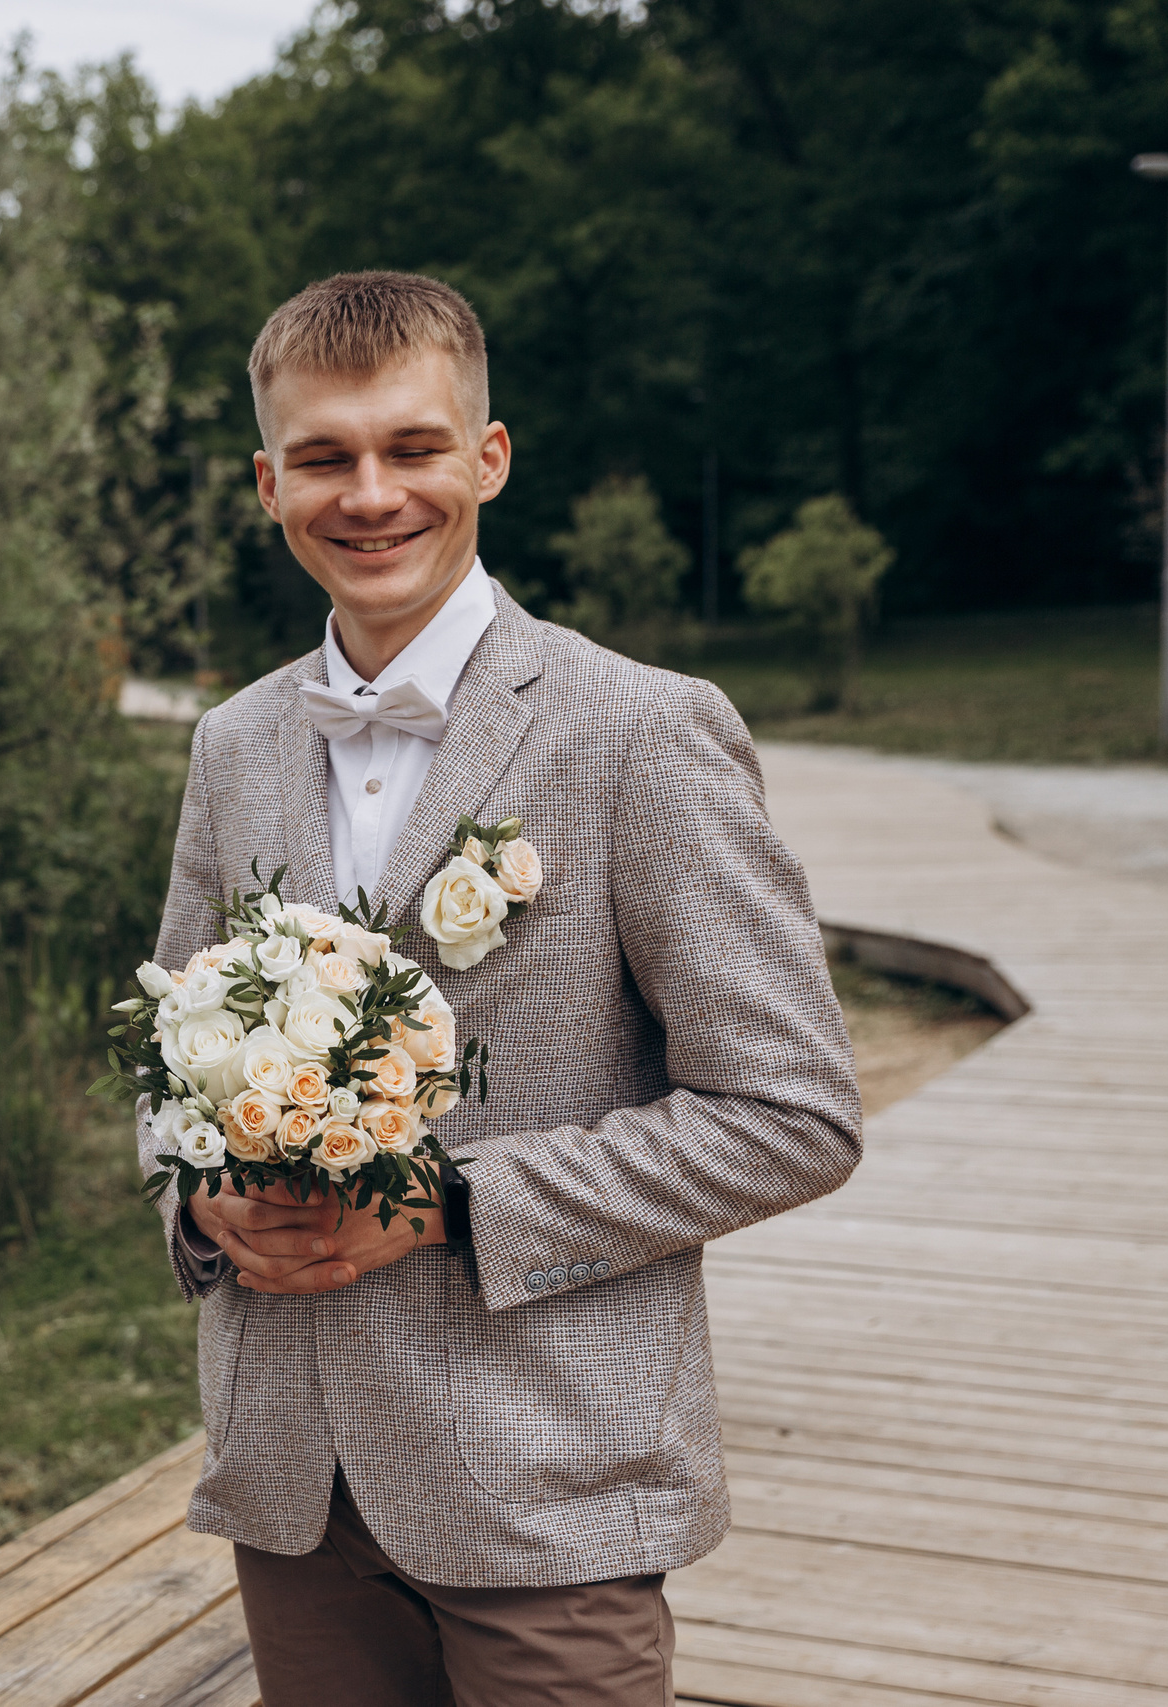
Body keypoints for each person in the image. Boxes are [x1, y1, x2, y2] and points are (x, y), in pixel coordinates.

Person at [146, 272, 860, 1706]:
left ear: (488, 457)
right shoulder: (230, 745)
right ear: (267, 481)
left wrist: (458, 1206)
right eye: (326, 458)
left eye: (412, 448)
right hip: (289, 1476)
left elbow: (794, 1112)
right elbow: (172, 1064)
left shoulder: (642, 732)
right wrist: (199, 1196)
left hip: (550, 1484)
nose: (371, 495)